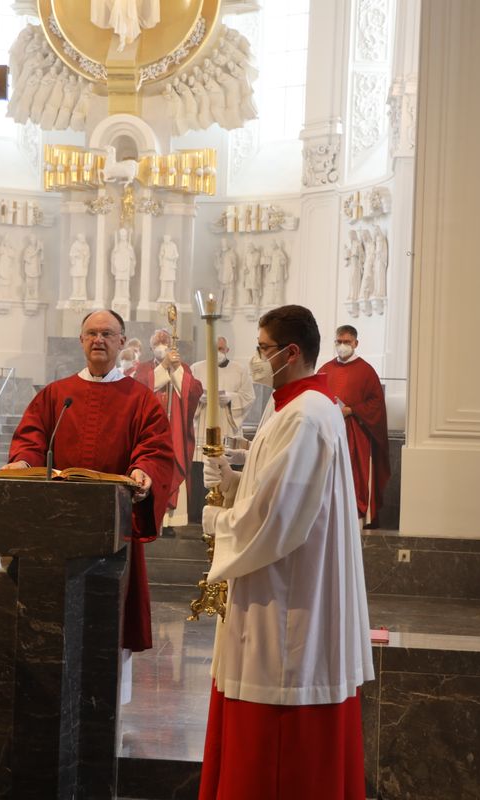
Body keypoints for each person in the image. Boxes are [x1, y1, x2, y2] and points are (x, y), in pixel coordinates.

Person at [200, 305, 373, 800]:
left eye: (263, 349)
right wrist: (234, 482)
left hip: (287, 609)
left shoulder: (305, 416)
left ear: (291, 353)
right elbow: (277, 494)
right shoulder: (293, 407)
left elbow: (277, 519)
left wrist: (218, 521)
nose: (257, 359)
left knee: (275, 765)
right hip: (280, 591)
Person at [2, 309, 174, 654]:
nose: (99, 340)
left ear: (122, 342)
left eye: (108, 334)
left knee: (108, 637)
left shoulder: (140, 399)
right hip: (57, 527)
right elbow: (33, 439)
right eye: (92, 333)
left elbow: (154, 448)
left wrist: (144, 472)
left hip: (114, 526)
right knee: (54, 633)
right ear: (81, 340)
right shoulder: (56, 394)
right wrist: (23, 461)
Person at [317, 325, 391, 528]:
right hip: (329, 432)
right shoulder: (325, 369)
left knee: (354, 475)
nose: (342, 346)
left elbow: (376, 403)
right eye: (339, 342)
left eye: (347, 342)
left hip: (355, 434)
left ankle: (355, 521)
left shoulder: (366, 371)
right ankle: (328, 518)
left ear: (356, 343)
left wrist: (351, 410)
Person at [188, 336, 255, 521]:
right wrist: (197, 398)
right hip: (203, 423)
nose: (219, 351)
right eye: (215, 348)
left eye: (222, 348)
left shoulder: (239, 370)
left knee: (226, 465)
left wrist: (232, 397)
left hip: (227, 424)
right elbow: (187, 394)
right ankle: (196, 514)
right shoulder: (196, 368)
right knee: (201, 468)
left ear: (228, 350)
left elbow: (249, 396)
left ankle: (226, 509)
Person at [148, 328, 203, 513]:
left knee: (174, 467)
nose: (162, 347)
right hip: (151, 434)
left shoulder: (183, 368)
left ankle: (170, 521)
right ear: (151, 347)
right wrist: (163, 367)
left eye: (165, 343)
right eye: (158, 344)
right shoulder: (143, 369)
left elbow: (195, 392)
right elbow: (142, 389)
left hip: (175, 432)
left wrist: (177, 369)